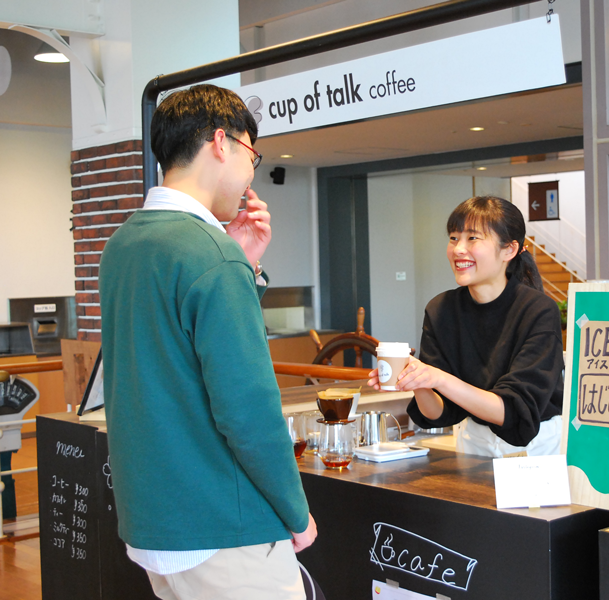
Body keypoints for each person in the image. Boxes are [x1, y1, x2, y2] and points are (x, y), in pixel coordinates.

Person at [99, 84, 316, 600]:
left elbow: (170, 359)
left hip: (155, 524)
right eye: (252, 154)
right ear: (223, 142)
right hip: (222, 524)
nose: (251, 173)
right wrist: (296, 510)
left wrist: (243, 261)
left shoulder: (123, 244)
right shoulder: (209, 255)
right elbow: (247, 410)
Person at [369, 196, 564, 457]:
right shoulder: (441, 309)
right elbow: (438, 413)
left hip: (536, 445)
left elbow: (513, 411)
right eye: (453, 238)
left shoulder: (538, 310)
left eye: (472, 238)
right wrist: (417, 380)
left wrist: (439, 378)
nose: (459, 249)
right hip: (473, 441)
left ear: (509, 250)